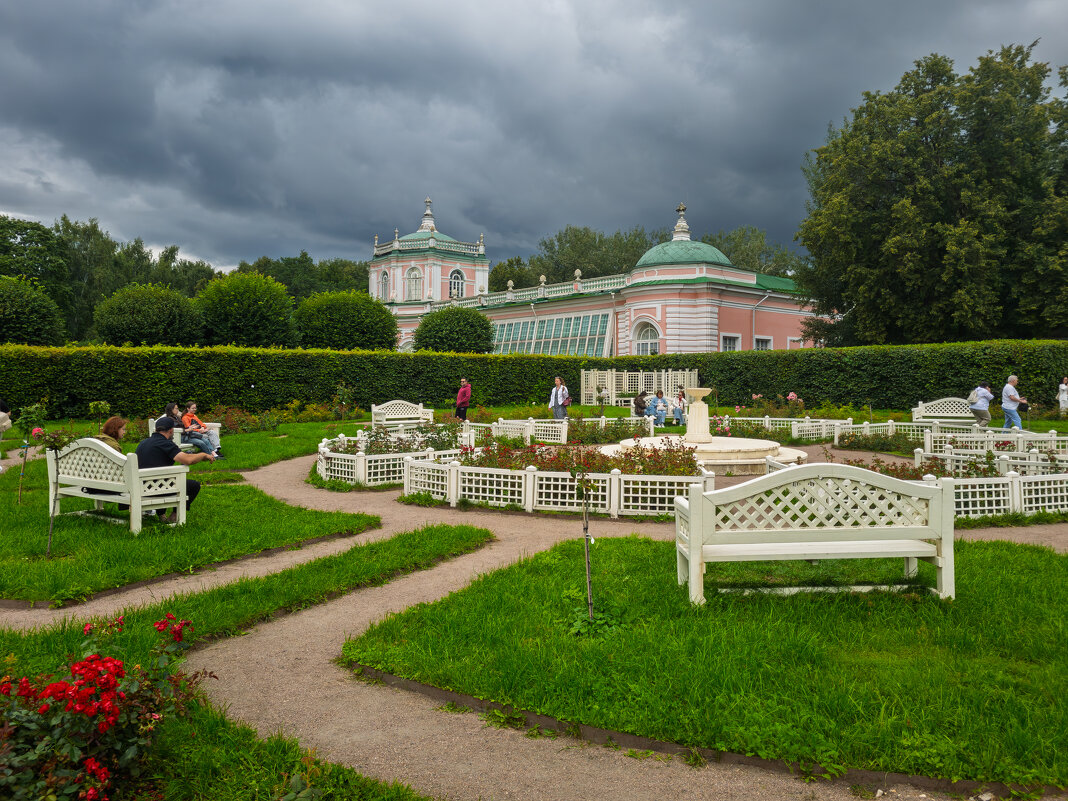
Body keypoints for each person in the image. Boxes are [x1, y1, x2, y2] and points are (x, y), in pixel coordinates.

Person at [136, 417, 214, 524]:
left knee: (163, 479)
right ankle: (174, 516)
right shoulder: (165, 443)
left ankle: (161, 515)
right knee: (193, 485)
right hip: (154, 488)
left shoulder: (143, 443)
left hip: (140, 486)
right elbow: (188, 460)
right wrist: (204, 454)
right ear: (171, 430)